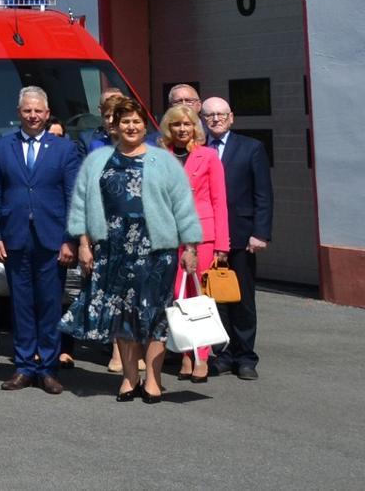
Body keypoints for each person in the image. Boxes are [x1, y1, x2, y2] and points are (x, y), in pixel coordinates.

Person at [61, 97, 202, 403]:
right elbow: (82, 204)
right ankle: (129, 378)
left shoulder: (163, 160)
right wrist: (84, 244)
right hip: (113, 247)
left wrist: (190, 247)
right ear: (115, 124)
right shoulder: (97, 161)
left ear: (145, 125)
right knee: (121, 313)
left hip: (157, 248)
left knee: (153, 313)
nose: (131, 126)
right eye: (125, 121)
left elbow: (183, 206)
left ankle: (153, 379)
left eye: (137, 121)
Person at [0, 87, 80, 394]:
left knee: (51, 305)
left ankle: (48, 368)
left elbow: (73, 197)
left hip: (52, 239)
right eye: (27, 110)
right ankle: (25, 366)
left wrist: (70, 240)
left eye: (38, 111)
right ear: (19, 113)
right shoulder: (2, 147)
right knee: (21, 305)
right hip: (14, 238)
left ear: (47, 111)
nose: (32, 116)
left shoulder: (64, 149)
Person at [201, 96, 270, 381]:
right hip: (209, 237)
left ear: (232, 117)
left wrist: (260, 232)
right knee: (215, 298)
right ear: (202, 119)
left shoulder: (251, 148)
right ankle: (223, 354)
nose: (215, 119)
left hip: (241, 236)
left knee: (241, 297)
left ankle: (245, 357)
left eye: (221, 114)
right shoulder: (198, 149)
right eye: (209, 115)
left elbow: (263, 194)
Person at [160, 103, 229, 383]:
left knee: (198, 297)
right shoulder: (158, 156)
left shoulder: (208, 156)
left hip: (202, 235)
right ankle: (187, 355)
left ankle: (203, 355)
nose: (182, 129)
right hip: (167, 235)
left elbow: (219, 201)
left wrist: (222, 243)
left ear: (195, 128)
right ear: (169, 127)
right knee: (177, 297)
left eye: (187, 124)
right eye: (177, 124)